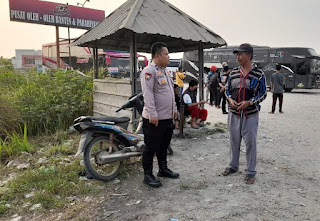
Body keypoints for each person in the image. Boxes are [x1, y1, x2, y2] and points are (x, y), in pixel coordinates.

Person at [223, 43, 267, 184]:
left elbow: (263, 93)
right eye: (237, 54)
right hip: (234, 114)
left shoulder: (259, 74)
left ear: (249, 55)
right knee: (234, 141)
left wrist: (250, 102)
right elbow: (227, 90)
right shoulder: (233, 73)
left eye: (241, 54)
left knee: (250, 143)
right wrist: (229, 99)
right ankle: (233, 166)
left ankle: (250, 172)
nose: (238, 57)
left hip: (250, 115)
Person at [140, 42, 179, 188]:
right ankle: (148, 175)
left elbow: (170, 92)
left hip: (167, 117)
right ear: (157, 55)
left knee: (163, 145)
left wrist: (174, 109)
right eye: (166, 54)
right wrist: (153, 114)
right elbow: (148, 94)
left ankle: (163, 169)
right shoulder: (149, 71)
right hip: (154, 119)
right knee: (151, 147)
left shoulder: (165, 71)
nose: (168, 57)